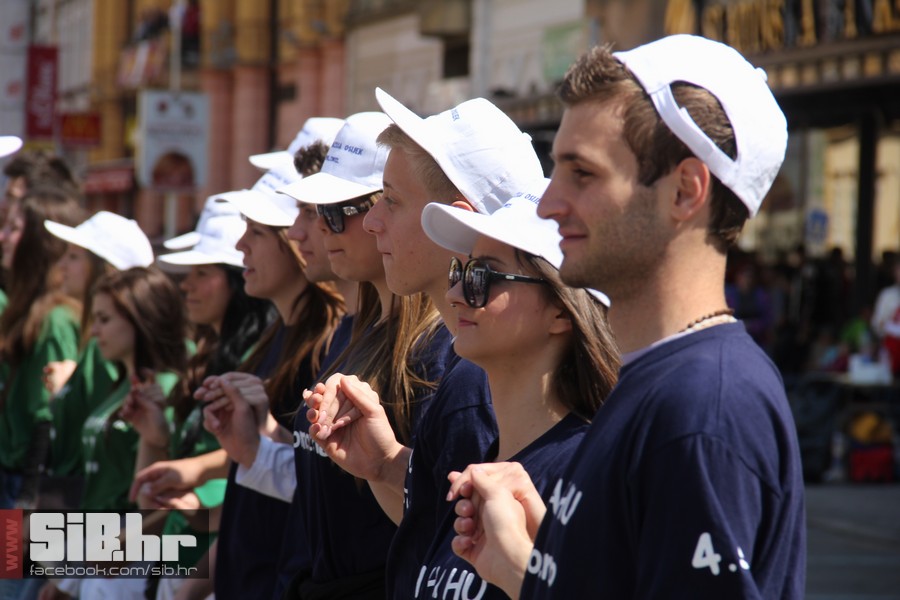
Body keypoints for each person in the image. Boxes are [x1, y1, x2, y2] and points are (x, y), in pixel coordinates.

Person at [447, 35, 806, 599]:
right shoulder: (656, 382)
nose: (547, 203)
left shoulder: (702, 408)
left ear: (685, 190)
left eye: (581, 174)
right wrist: (530, 569)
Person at [304, 88, 547, 598]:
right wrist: (384, 463)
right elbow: (431, 536)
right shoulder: (466, 361)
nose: (372, 222)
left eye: (390, 201)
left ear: (456, 218)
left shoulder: (473, 377)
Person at [40, 266, 189, 600]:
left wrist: (125, 544)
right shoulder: (119, 387)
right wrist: (71, 576)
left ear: (140, 318)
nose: (94, 332)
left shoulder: (166, 390)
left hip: (128, 560)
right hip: (98, 553)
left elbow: (162, 495)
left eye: (105, 320)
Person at [41, 211, 155, 507]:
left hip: (94, 524)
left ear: (107, 270)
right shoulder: (96, 343)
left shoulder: (108, 349)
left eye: (75, 257)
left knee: (9, 552)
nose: (62, 266)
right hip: (69, 509)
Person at [0, 186, 84, 510]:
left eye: (14, 228)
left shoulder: (55, 320)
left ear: (41, 243)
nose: (3, 236)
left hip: (24, 484)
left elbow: (48, 416)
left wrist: (29, 497)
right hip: (10, 477)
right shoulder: (27, 311)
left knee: (13, 563)